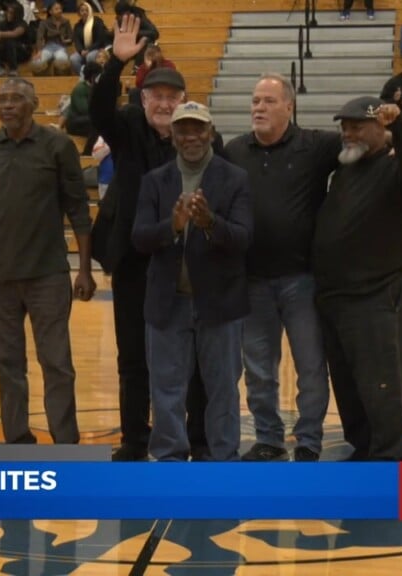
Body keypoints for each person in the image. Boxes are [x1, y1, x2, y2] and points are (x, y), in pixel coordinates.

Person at [89, 12, 208, 461]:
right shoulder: (127, 129)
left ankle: (194, 440)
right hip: (136, 262)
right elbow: (97, 111)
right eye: (155, 96)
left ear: (184, 100)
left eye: (171, 95)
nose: (163, 103)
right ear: (142, 100)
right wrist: (116, 63)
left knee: (190, 358)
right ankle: (135, 440)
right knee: (133, 358)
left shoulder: (196, 135)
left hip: (184, 263)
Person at [223, 73, 341, 463]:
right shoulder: (234, 150)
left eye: (268, 101)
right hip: (252, 281)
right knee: (258, 370)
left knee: (310, 366)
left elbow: (362, 140)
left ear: (289, 106)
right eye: (255, 100)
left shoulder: (316, 145)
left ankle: (308, 440)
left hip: (302, 280)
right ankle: (269, 438)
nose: (258, 107)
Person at [0, 78, 96, 445]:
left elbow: (78, 208)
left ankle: (66, 443)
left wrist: (85, 269)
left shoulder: (57, 146)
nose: (7, 105)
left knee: (57, 365)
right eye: (1, 99)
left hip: (48, 275)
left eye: (16, 99)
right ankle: (17, 441)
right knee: (8, 367)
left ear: (33, 103)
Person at [313, 97, 402, 461]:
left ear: (382, 130)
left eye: (357, 126)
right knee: (349, 383)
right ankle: (364, 445)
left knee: (383, 382)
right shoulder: (346, 169)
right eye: (344, 127)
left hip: (382, 291)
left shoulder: (399, 167)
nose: (348, 133)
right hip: (338, 296)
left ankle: (389, 455)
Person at [132, 101, 252, 462]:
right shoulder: (155, 181)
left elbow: (244, 238)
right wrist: (173, 226)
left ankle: (223, 457)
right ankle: (169, 457)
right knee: (166, 388)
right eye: (183, 129)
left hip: (220, 304)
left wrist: (209, 223)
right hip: (168, 303)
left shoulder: (235, 179)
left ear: (211, 132)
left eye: (198, 128)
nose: (191, 136)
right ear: (173, 135)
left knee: (222, 390)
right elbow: (139, 238)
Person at [31, 2, 73, 76]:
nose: (59, 10)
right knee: (37, 62)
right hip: (47, 47)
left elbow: (71, 38)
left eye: (60, 8)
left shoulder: (66, 22)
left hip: (61, 47)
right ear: (50, 11)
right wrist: (39, 51)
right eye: (56, 9)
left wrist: (65, 40)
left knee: (62, 61)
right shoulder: (44, 23)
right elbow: (39, 37)